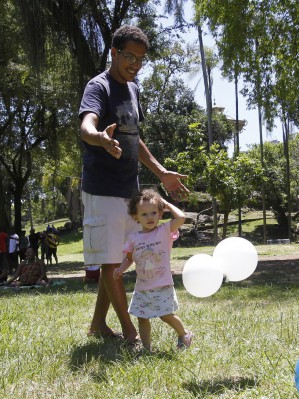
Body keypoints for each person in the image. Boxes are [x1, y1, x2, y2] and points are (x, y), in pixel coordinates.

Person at [79, 24, 188, 342]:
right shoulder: (98, 87)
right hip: (101, 188)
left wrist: (161, 171)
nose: (135, 64)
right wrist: (98, 138)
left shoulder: (133, 89)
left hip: (129, 190)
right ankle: (130, 333)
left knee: (116, 258)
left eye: (141, 59)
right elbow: (87, 123)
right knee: (111, 259)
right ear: (113, 53)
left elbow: (134, 138)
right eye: (129, 56)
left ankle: (99, 324)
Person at [113, 189, 193, 351]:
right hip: (142, 287)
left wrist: (168, 204)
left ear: (160, 213)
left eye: (154, 212)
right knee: (142, 318)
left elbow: (181, 218)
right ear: (136, 217)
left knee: (166, 315)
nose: (150, 217)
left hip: (162, 284)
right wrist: (120, 270)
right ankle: (146, 347)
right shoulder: (134, 239)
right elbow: (129, 258)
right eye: (144, 214)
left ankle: (184, 334)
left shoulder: (164, 231)